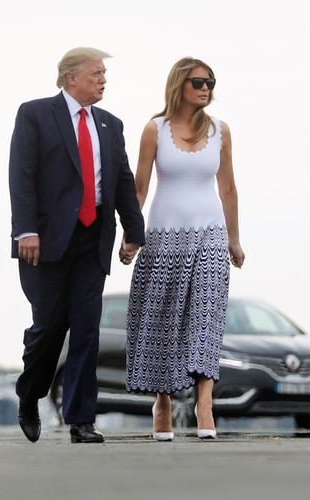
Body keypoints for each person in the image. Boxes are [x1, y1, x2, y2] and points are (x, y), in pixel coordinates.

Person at [9, 47, 146, 443]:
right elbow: (22, 175)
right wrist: (26, 231)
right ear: (71, 78)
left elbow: (121, 181)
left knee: (87, 330)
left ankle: (81, 420)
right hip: (45, 240)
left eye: (105, 74)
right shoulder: (35, 114)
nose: (103, 80)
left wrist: (133, 230)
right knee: (50, 327)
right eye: (96, 73)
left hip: (92, 239)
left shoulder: (110, 124)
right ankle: (29, 395)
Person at [125, 57, 245, 441]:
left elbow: (227, 187)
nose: (206, 87)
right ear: (180, 84)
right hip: (163, 237)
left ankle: (204, 402)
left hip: (209, 234)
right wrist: (130, 234)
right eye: (198, 81)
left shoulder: (220, 131)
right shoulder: (154, 130)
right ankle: (162, 401)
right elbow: (139, 188)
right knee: (164, 321)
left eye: (211, 81)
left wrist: (234, 239)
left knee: (205, 318)